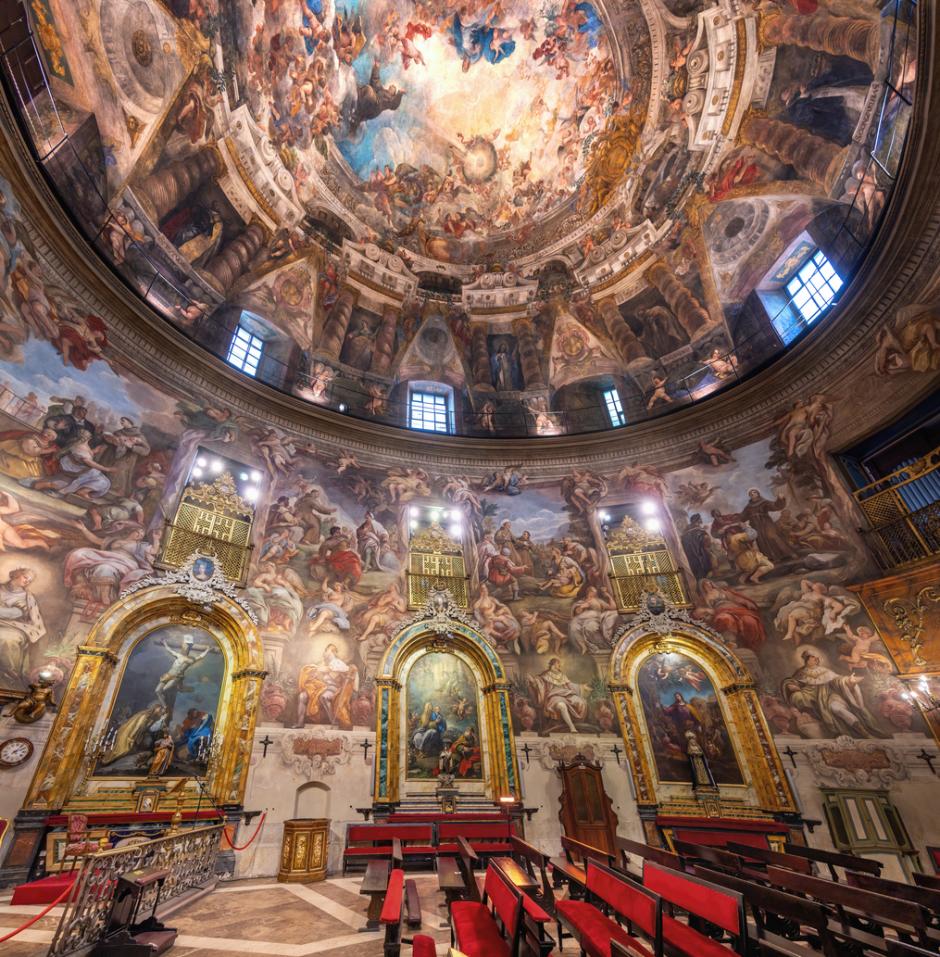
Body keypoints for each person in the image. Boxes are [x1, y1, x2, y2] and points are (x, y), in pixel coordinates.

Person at [782, 651, 888, 738]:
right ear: (807, 659)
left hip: (830, 695)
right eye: (813, 658)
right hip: (811, 697)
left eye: (816, 658)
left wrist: (848, 681)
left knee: (838, 709)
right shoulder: (800, 672)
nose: (816, 660)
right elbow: (792, 682)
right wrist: (791, 685)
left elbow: (838, 680)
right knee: (797, 697)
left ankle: (865, 733)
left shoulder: (824, 671)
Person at [295, 643, 358, 729]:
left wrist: (324, 669)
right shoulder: (324, 664)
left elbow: (346, 671)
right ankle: (300, 723)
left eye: (326, 651)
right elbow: (320, 675)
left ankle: (333, 721)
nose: (324, 653)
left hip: (333, 688)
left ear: (332, 651)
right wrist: (314, 673)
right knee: (302, 696)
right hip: (320, 687)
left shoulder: (338, 663)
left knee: (324, 697)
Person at [0, 567, 44, 685]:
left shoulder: (25, 596)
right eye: (25, 577)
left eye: (30, 580)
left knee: (6, 639)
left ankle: (10, 674)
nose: (27, 581)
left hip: (15, 626)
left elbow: (17, 613)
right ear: (16, 575)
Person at [528, 658, 588, 733]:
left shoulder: (562, 675)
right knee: (561, 705)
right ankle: (572, 727)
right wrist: (533, 681)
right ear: (552, 665)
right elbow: (539, 683)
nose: (559, 665)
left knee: (581, 702)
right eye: (557, 663)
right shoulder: (546, 675)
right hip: (553, 696)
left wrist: (581, 687)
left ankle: (578, 723)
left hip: (566, 694)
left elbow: (570, 685)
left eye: (559, 664)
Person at [738, 489, 796, 562]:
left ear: (758, 493)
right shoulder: (748, 507)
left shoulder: (764, 502)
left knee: (772, 536)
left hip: (766, 523)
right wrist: (739, 521)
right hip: (756, 525)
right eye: (751, 493)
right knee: (762, 541)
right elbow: (742, 516)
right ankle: (773, 558)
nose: (752, 494)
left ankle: (788, 553)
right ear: (749, 496)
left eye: (754, 492)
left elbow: (775, 506)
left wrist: (780, 499)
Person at [155, 634, 210, 711]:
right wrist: (164, 643)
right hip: (168, 675)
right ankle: (164, 706)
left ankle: (166, 706)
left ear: (188, 649)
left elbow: (201, 656)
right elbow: (169, 650)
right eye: (184, 646)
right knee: (157, 691)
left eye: (186, 647)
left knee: (164, 690)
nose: (184, 648)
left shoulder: (190, 660)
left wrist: (207, 650)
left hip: (176, 678)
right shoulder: (178, 655)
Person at [681, 513, 714, 580]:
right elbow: (705, 539)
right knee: (705, 560)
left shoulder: (688, 529)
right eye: (700, 518)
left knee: (696, 563)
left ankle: (702, 577)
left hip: (691, 552)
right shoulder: (698, 530)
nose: (701, 519)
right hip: (699, 550)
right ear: (697, 520)